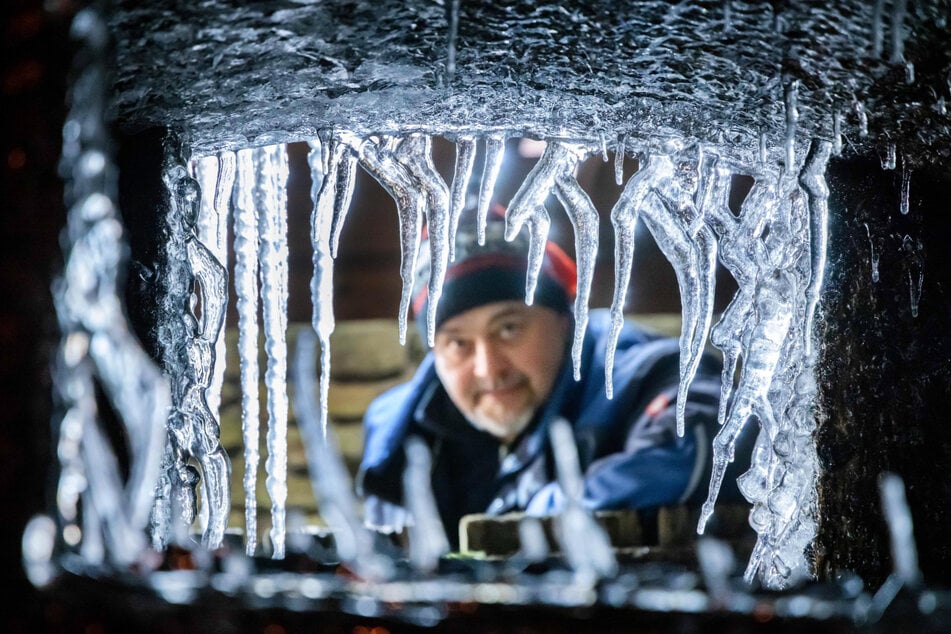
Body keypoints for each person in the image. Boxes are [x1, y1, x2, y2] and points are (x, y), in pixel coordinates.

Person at [356, 206, 747, 548]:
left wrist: (523, 516)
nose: (489, 368)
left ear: (564, 322)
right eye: (458, 344)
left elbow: (699, 454)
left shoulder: (654, 379)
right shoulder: (400, 440)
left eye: (508, 329)